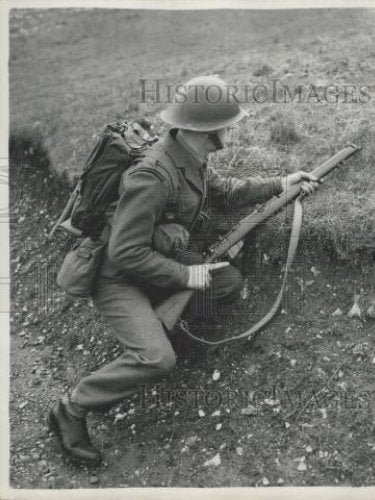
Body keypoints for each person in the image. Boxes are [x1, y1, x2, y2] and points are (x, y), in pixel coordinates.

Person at [48, 75, 318, 466]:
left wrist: (282, 183)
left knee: (226, 281)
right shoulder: (153, 175)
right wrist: (184, 276)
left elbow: (224, 191)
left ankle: (161, 325)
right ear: (205, 130)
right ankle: (71, 408)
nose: (230, 130)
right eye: (225, 124)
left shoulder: (187, 156)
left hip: (149, 265)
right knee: (159, 359)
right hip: (116, 276)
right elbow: (125, 252)